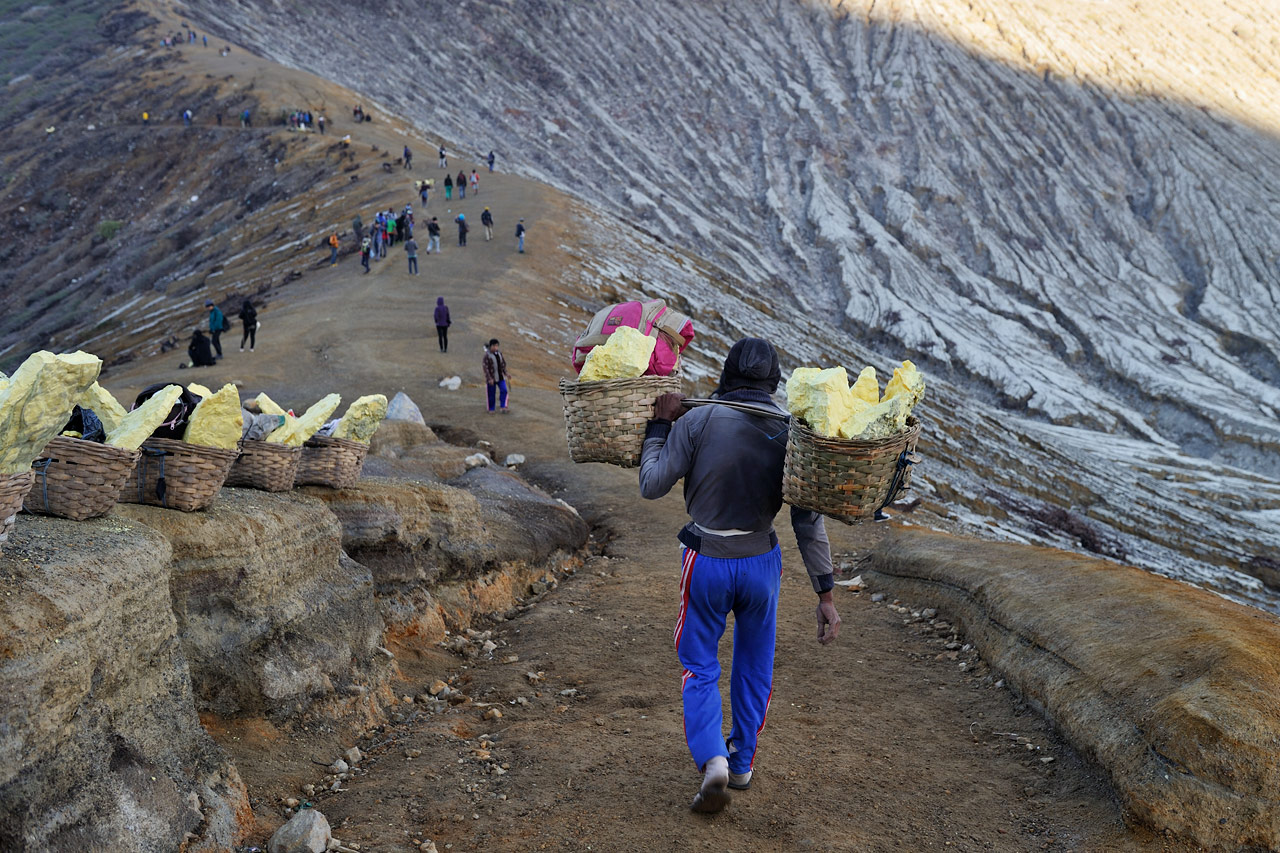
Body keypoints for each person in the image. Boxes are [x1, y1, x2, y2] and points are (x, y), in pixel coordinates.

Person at [637, 338, 840, 815]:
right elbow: (807, 521)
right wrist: (826, 593)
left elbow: (651, 485)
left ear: (728, 374)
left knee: (700, 663)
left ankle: (713, 763)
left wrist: (658, 426)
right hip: (761, 563)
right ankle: (742, 763)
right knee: (754, 663)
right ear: (773, 382)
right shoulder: (791, 434)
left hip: (706, 559)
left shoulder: (697, 419)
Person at [482, 339, 509, 412]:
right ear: (490, 346)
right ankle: (491, 409)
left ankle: (503, 406)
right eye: (494, 346)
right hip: (491, 378)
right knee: (491, 394)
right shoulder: (487, 356)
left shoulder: (499, 354)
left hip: (500, 377)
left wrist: (506, 373)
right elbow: (485, 368)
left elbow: (503, 364)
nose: (495, 347)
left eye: (497, 346)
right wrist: (489, 378)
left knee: (504, 390)